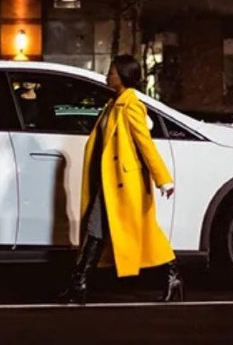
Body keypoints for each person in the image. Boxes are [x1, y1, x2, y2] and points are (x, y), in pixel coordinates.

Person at [57, 55, 183, 304]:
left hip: (123, 183)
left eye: (112, 72)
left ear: (123, 75)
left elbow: (144, 144)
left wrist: (163, 179)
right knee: (104, 231)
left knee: (113, 231)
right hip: (109, 181)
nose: (107, 75)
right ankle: (79, 285)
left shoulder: (131, 105)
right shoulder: (114, 104)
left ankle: (79, 285)